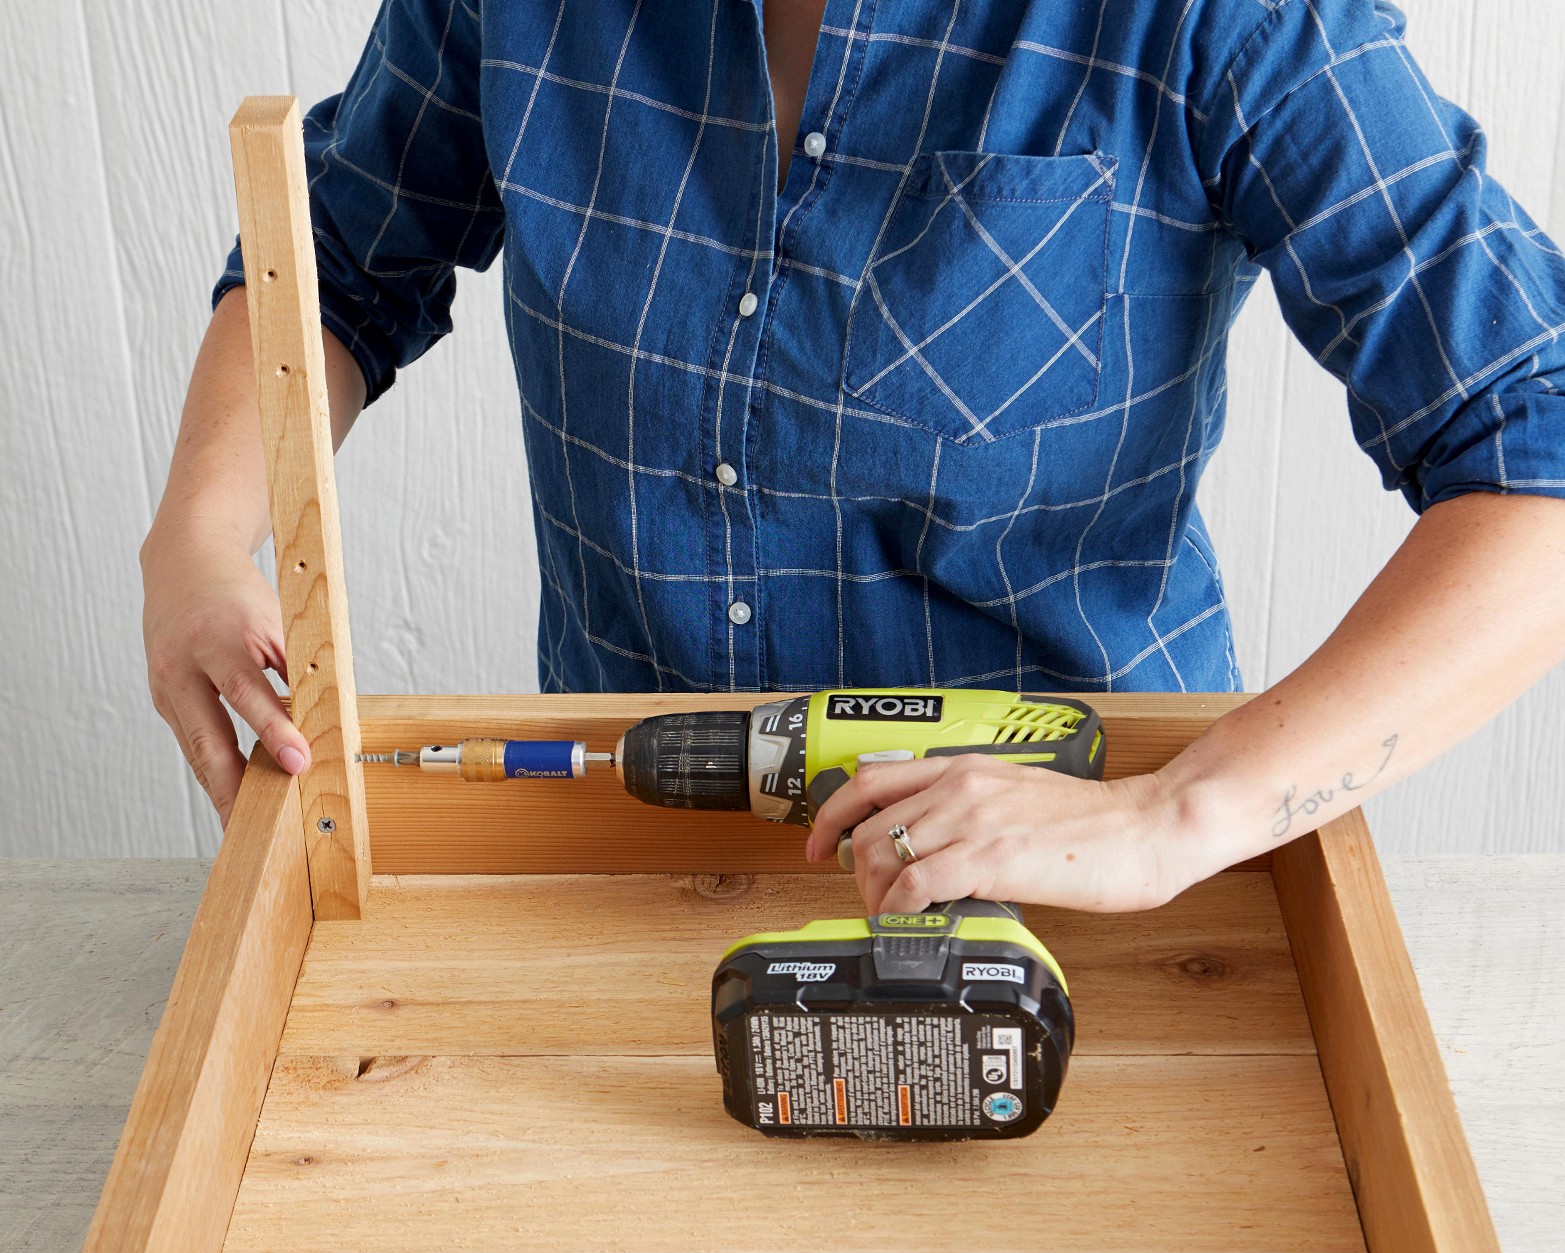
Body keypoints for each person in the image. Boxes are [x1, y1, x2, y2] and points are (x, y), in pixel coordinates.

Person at [141, 0, 1565, 918]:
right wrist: (198, 542)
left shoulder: (1238, 17)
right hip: (634, 849)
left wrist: (1173, 815)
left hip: (1078, 867)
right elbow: (331, 264)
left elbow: (1535, 448)